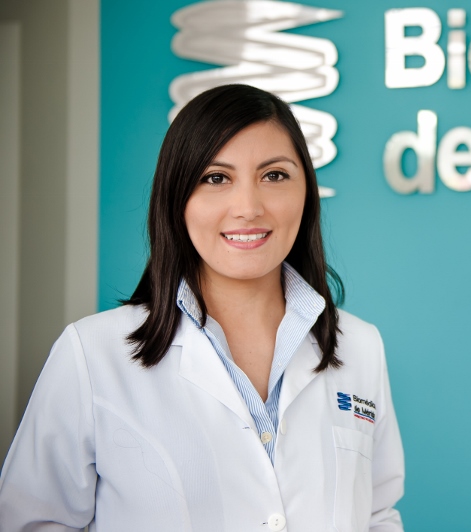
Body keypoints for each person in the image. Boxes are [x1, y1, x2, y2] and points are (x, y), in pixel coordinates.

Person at [0, 84, 404, 531]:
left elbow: (377, 516)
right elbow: (30, 522)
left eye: (274, 175)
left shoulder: (360, 346)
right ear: (177, 199)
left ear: (306, 192)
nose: (248, 208)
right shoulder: (92, 354)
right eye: (216, 178)